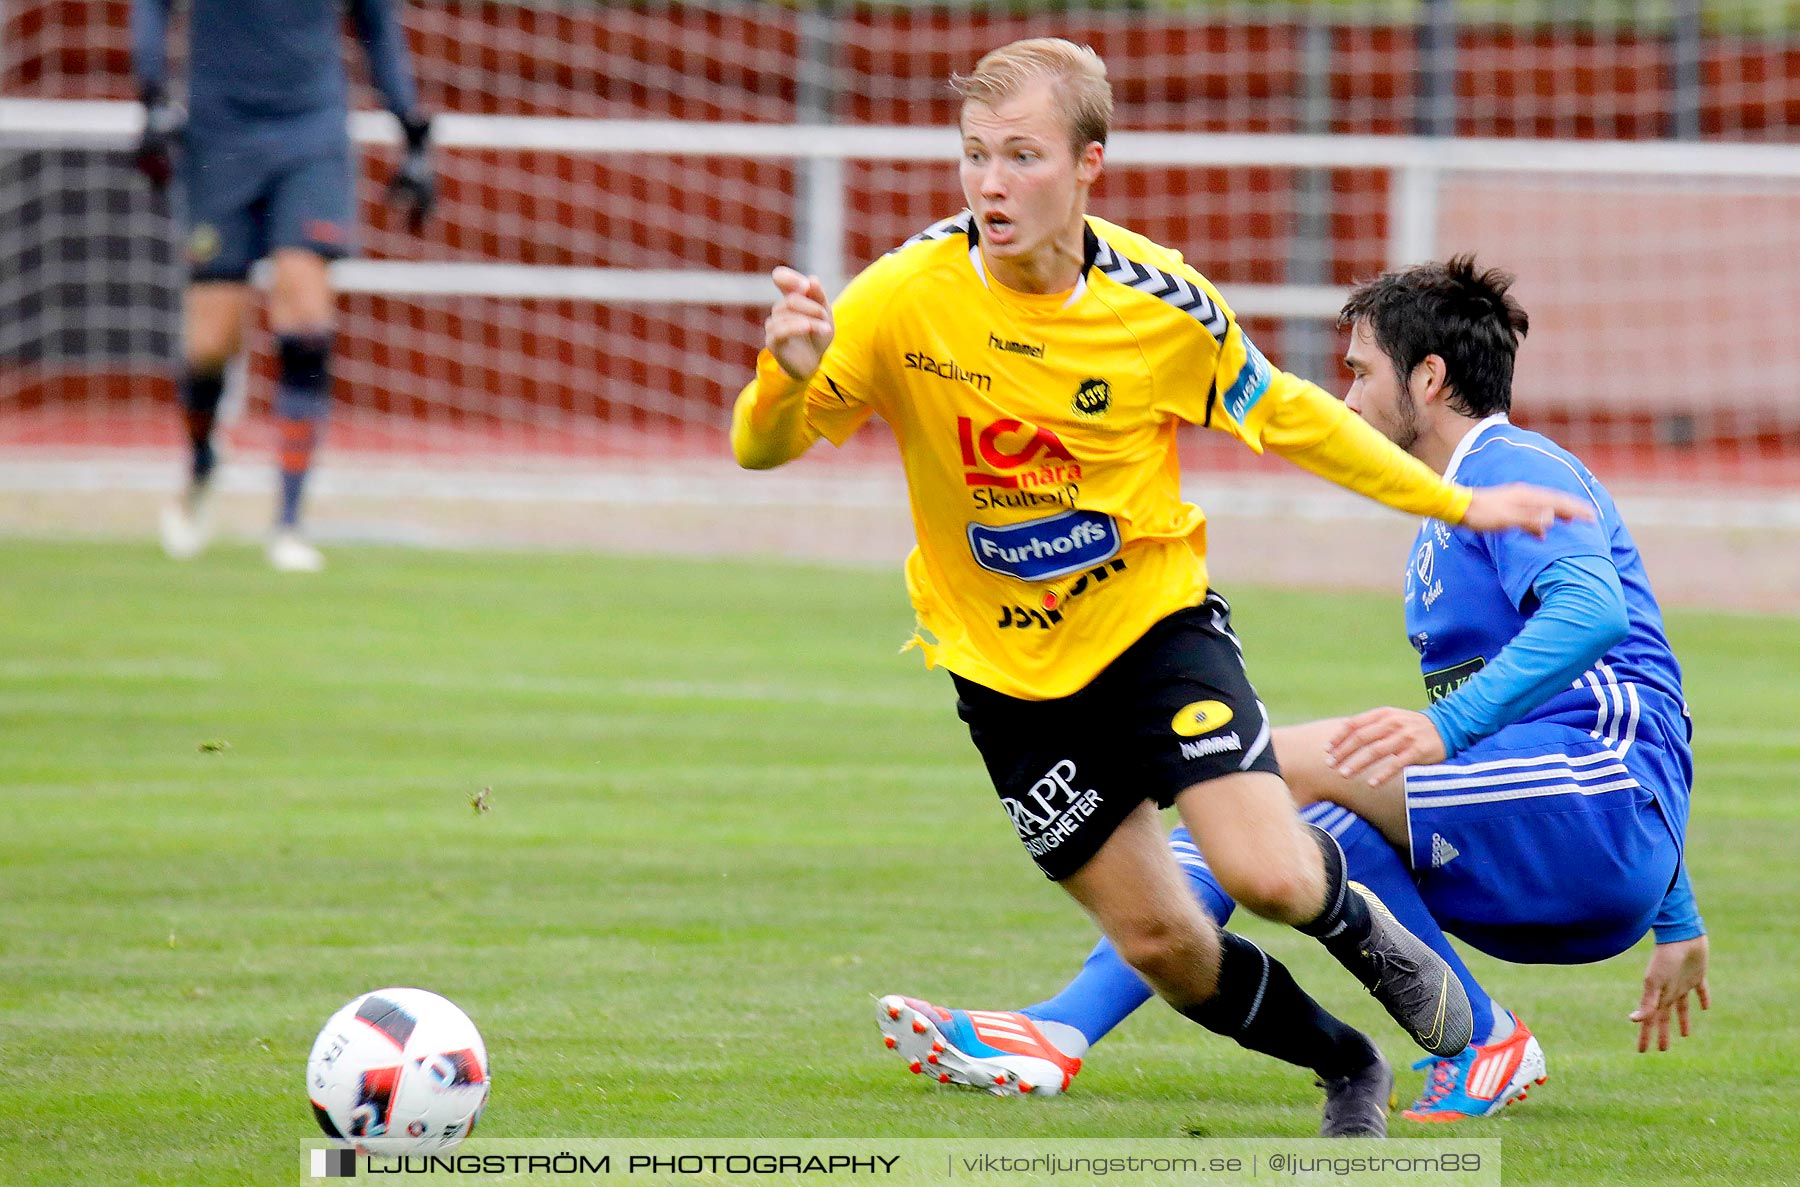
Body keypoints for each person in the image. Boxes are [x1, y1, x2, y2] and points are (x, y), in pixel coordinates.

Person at [733, 39, 1592, 1138]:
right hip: (1004, 678)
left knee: (1270, 875)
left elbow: (1286, 412)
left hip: (1155, 635)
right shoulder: (902, 297)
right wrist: (784, 379)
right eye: (976, 157)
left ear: (1090, 164)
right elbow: (763, 445)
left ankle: (1450, 1006)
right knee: (1168, 947)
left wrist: (1454, 500)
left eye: (1023, 157)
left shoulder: (1158, 301)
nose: (991, 184)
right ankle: (1348, 1064)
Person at [875, 256, 1709, 1125]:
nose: (1345, 398)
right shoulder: (1452, 502)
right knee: (1288, 819)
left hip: (1597, 815)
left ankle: (1065, 1027)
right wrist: (1678, 915)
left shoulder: (1509, 463)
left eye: (1360, 371)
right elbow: (1646, 690)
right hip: (1584, 844)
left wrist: (1446, 726)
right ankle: (1479, 1038)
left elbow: (1595, 616)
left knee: (1270, 769)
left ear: (1429, 378)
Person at [131, 0, 435, 572]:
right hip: (218, 136)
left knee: (306, 322)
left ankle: (289, 521)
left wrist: (411, 127)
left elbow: (377, 27)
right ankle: (200, 465)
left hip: (310, 134)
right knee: (210, 343)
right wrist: (149, 95)